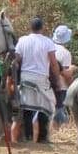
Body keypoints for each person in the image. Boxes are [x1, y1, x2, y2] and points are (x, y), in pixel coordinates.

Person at [13, 16, 64, 144]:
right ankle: (42, 137)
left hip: (25, 77)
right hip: (41, 77)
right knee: (47, 104)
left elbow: (16, 59)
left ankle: (28, 136)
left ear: (30, 27)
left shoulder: (23, 40)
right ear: (42, 28)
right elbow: (53, 63)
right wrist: (57, 79)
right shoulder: (47, 42)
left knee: (27, 106)